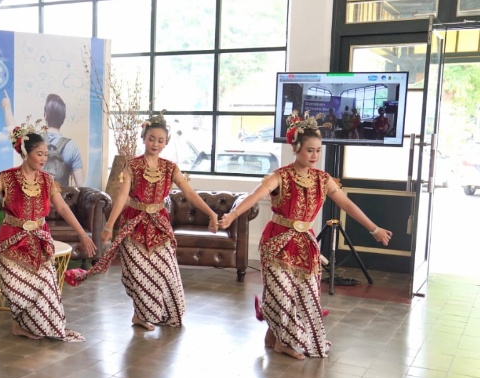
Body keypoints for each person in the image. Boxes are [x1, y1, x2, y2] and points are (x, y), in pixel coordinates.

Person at [218, 117, 392, 360]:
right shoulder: (280, 176)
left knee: (306, 296)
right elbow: (255, 196)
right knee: (282, 292)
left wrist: (374, 229)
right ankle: (283, 342)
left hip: (305, 245)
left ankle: (274, 330)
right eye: (310, 150)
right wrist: (232, 215)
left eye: (318, 151)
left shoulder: (323, 179)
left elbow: (348, 205)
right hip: (277, 242)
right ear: (296, 148)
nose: (314, 155)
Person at [65, 114, 219, 330]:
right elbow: (121, 198)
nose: (155, 144)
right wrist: (109, 226)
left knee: (166, 271)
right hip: (134, 223)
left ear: (166, 142)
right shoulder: (132, 166)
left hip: (159, 225)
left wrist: (211, 213)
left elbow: (189, 193)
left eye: (160, 140)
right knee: (138, 273)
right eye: (151, 138)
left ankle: (159, 313)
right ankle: (140, 314)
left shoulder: (170, 167)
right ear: (144, 138)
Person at [0, 124, 96, 341]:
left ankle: (34, 324)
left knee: (46, 291)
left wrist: (83, 234)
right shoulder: (6, 178)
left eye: (46, 154)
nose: (44, 158)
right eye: (39, 154)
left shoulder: (47, 180)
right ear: (26, 153)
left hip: (39, 241)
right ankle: (19, 324)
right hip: (11, 240)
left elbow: (63, 208)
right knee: (16, 289)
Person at [1, 92, 84, 187]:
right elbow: (80, 186)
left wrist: (7, 107)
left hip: (35, 199)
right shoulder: (72, 146)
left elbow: (15, 133)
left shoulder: (33, 140)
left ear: (45, 115)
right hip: (61, 199)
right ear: (63, 118)